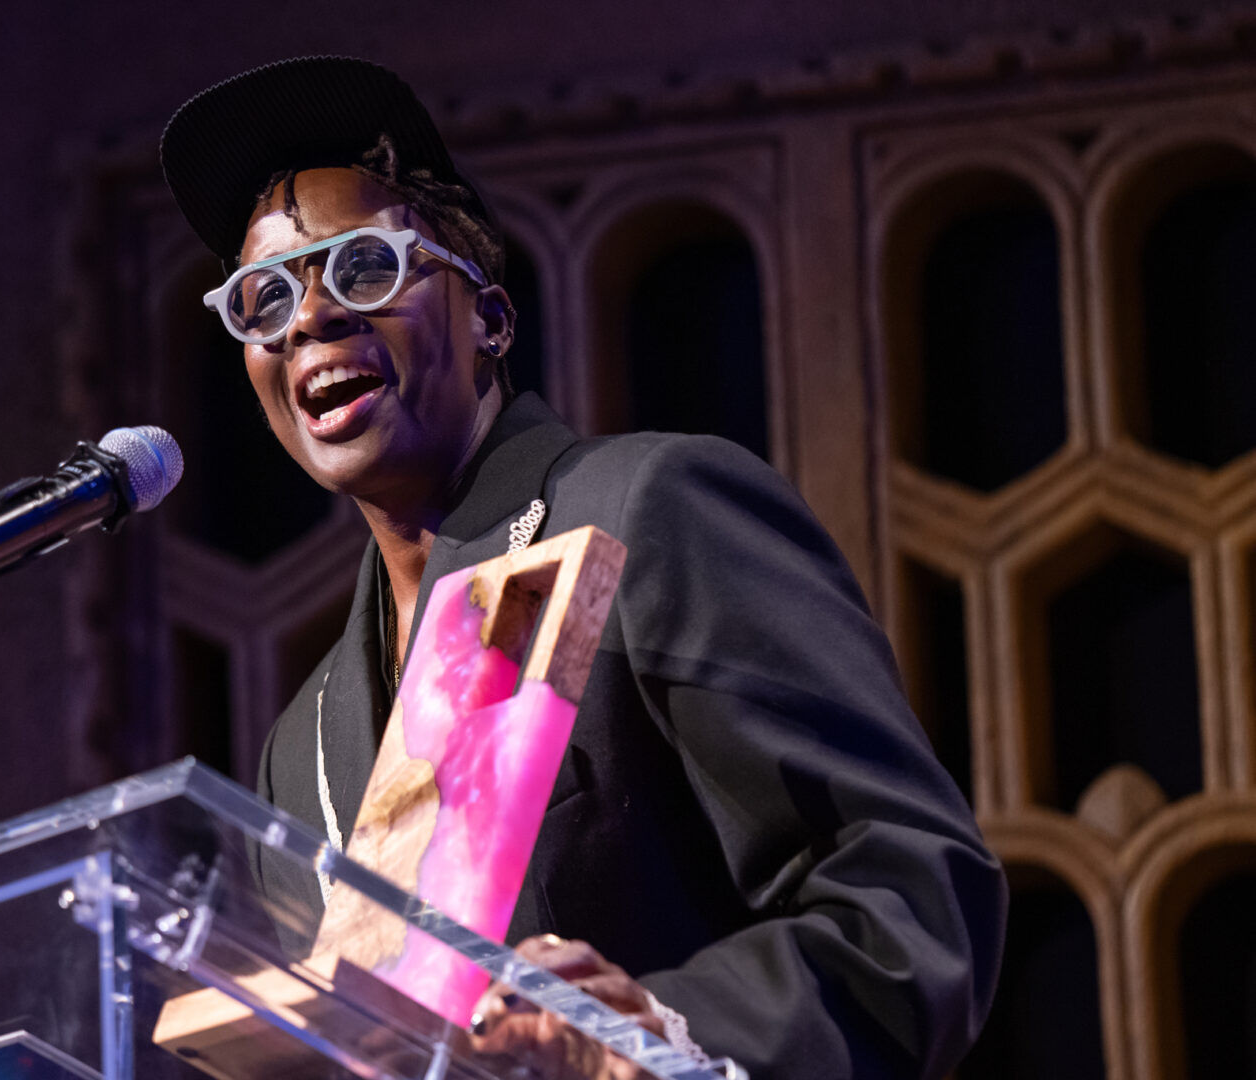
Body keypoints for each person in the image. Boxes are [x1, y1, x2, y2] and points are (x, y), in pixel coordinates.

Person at [160, 56, 1005, 1079]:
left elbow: (911, 892)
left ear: (491, 321)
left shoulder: (649, 510)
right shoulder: (303, 746)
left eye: (365, 270)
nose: (309, 319)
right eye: (261, 299)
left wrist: (656, 1030)